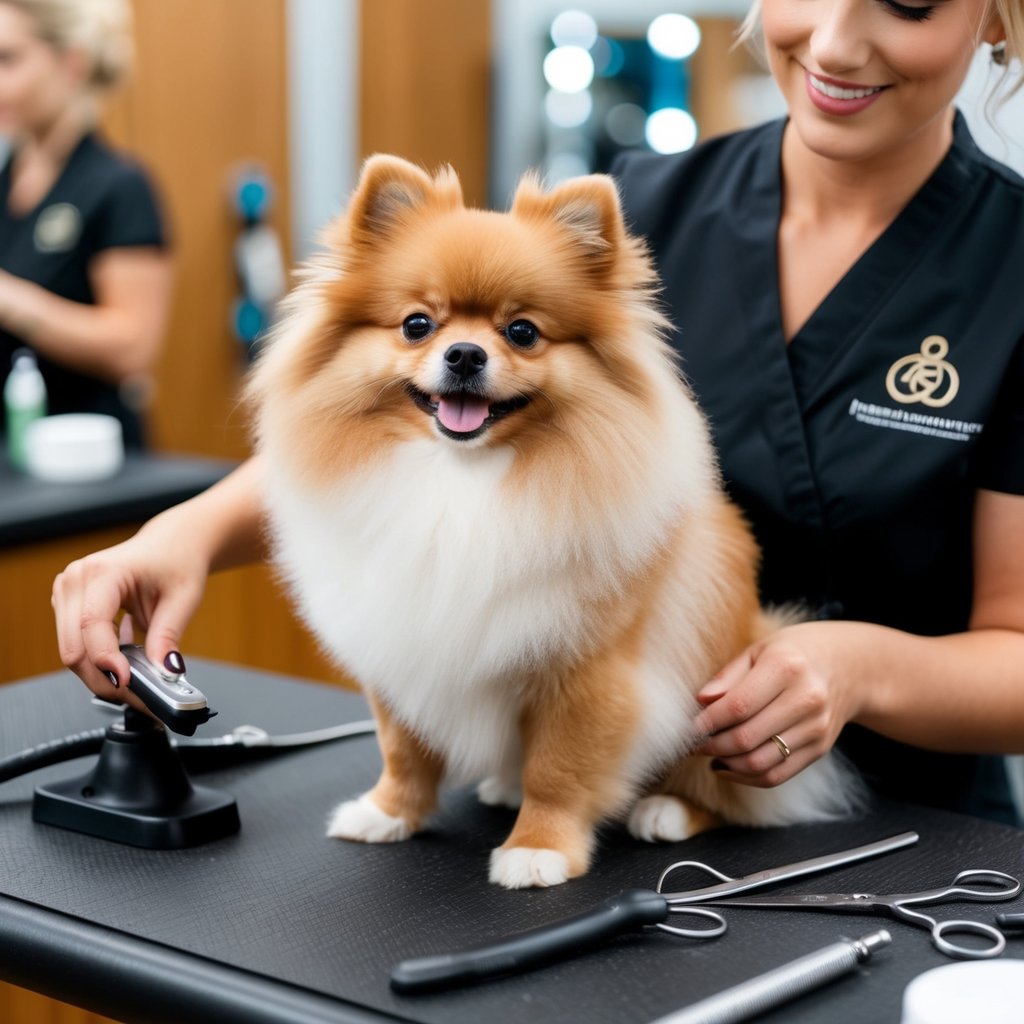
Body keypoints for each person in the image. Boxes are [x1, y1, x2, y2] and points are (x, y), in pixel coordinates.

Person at [52, 0, 1024, 822]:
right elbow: (402, 432)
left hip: (914, 843)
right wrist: (180, 536)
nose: (838, 42)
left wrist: (859, 668)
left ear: (991, 14)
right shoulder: (637, 205)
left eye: (906, 0)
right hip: (560, 798)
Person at [0, 0, 172, 450]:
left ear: (71, 64)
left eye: (8, 59)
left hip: (88, 463)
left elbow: (133, 348)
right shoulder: (7, 179)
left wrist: (12, 300)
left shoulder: (118, 186)